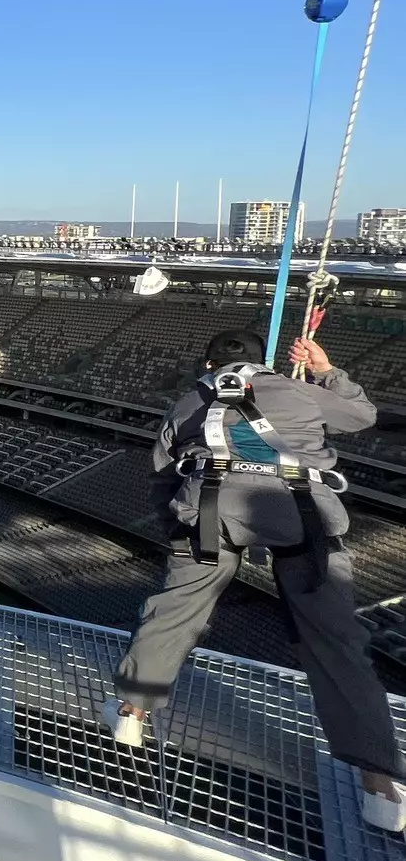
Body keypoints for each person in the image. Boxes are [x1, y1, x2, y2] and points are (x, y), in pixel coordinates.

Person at [101, 329, 404, 834]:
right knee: (334, 639)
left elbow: (162, 473)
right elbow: (363, 416)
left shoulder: (188, 403)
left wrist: (177, 531)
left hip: (211, 510)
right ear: (263, 361)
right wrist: (327, 369)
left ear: (207, 362)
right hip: (301, 510)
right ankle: (381, 787)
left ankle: (132, 712)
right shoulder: (298, 389)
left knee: (177, 608)